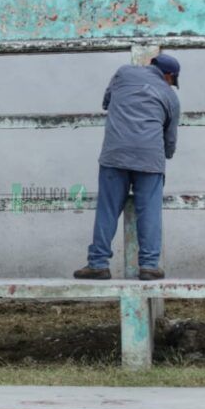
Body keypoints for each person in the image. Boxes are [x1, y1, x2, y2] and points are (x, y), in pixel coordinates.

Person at [74, 54, 182, 281]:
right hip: (149, 159)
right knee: (150, 211)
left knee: (108, 209)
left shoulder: (122, 72)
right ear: (169, 75)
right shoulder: (170, 96)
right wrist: (166, 156)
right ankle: (149, 265)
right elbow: (170, 138)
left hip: (116, 154)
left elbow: (106, 102)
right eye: (173, 80)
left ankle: (98, 263)